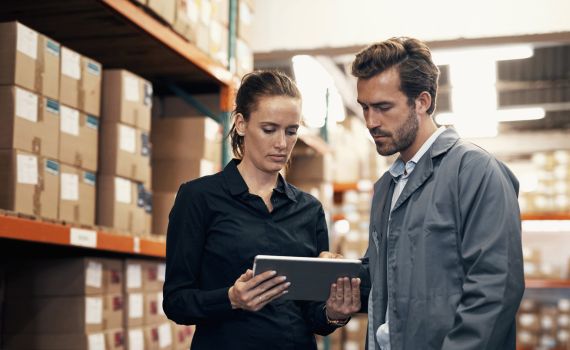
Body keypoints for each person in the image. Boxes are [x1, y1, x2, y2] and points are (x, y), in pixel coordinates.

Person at [162, 70, 362, 350]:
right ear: (241, 124)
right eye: (269, 129)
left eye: (291, 131)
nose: (282, 143)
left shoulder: (309, 209)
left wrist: (335, 313)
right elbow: (175, 301)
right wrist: (231, 299)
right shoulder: (198, 198)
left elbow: (313, 315)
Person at [350, 37, 525, 350]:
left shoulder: (475, 171)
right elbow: (386, 281)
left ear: (422, 102)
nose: (371, 122)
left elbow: (495, 291)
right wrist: (341, 275)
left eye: (383, 107)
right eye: (365, 108)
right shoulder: (388, 186)